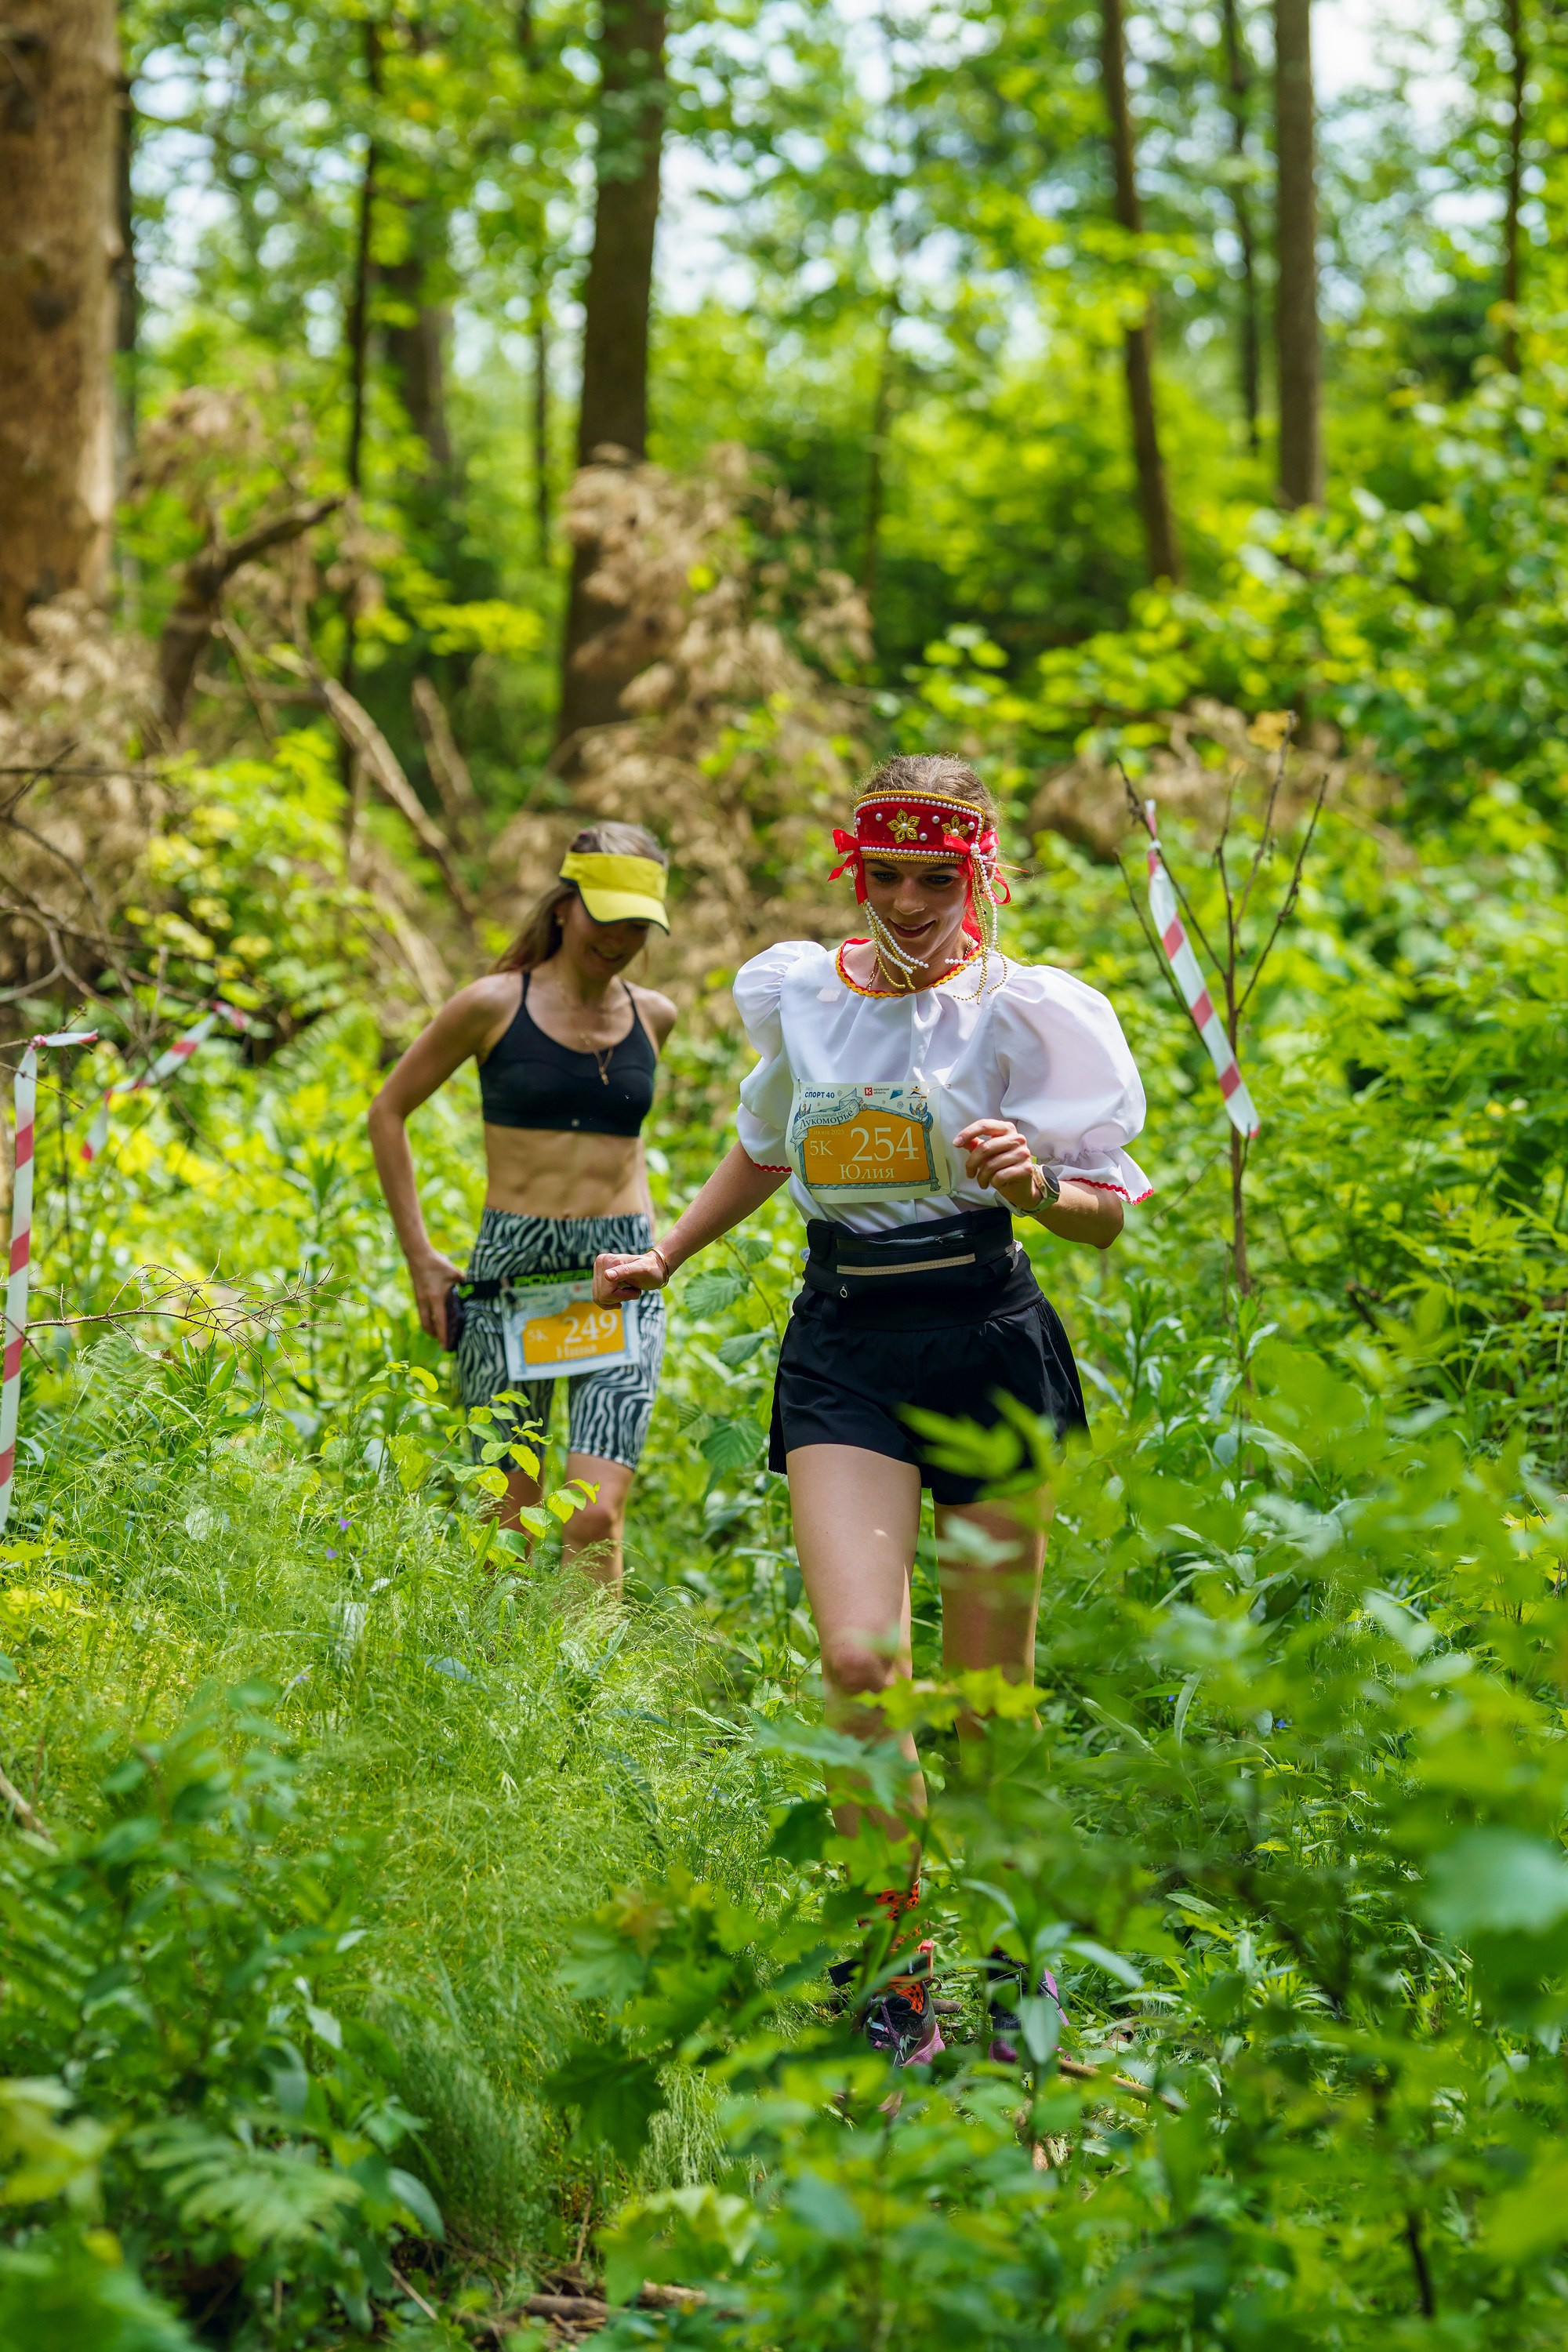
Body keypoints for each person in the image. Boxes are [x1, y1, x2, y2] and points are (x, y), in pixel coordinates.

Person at [593, 755, 1149, 2057]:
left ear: (980, 870)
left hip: (987, 1338)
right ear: (857, 870)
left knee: (983, 1699)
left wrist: (1034, 1188)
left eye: (935, 877)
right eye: (886, 876)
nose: (908, 902)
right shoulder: (805, 997)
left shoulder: (1026, 1014)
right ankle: (893, 1979)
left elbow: (1106, 1216)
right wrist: (666, 1254)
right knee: (860, 1665)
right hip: (845, 1338)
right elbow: (771, 1144)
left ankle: (1020, 1970)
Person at [368, 822, 677, 1586]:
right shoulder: (491, 1005)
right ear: (566, 906)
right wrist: (421, 1259)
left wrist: (650, 1241)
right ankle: (502, 1690)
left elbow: (622, 1147)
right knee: (507, 1516)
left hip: (618, 1272)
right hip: (514, 1270)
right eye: (606, 915)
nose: (620, 938)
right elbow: (387, 1112)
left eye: (638, 923)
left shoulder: (654, 1016)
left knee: (595, 1513)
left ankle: (583, 1690)